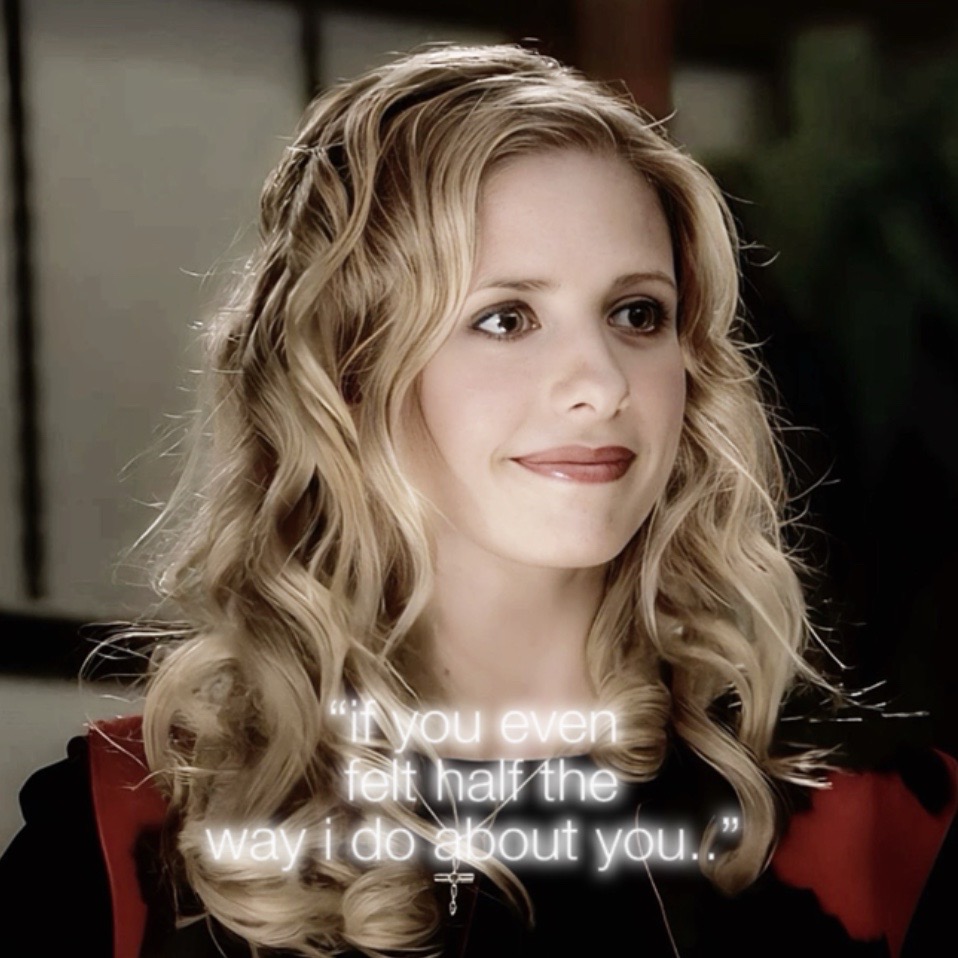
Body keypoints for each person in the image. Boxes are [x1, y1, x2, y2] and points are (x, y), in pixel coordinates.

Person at [1, 44, 955, 958]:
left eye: (637, 313)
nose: (602, 384)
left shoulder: (884, 832)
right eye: (506, 318)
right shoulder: (121, 836)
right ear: (348, 372)